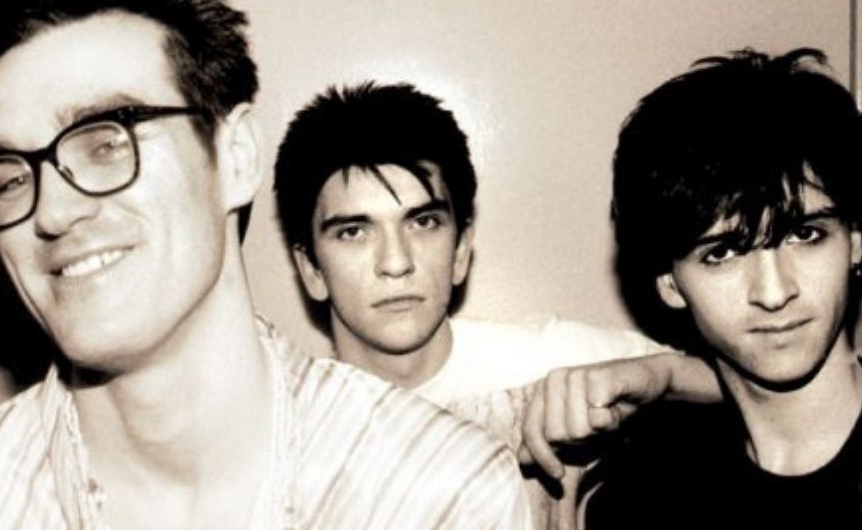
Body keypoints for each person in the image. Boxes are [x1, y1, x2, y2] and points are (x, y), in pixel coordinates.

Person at [0, 0, 531, 529]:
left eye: (106, 142)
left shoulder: (437, 494)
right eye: (10, 177)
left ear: (235, 156)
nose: (53, 211)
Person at [274, 81, 681, 528]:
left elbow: (733, 380)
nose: (395, 262)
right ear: (311, 269)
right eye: (354, 232)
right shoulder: (283, 437)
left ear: (461, 249)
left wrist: (660, 377)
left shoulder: (547, 364)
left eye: (423, 222)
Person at [579, 48, 862, 528]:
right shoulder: (644, 490)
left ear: (855, 243)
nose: (774, 292)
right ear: (669, 282)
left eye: (806, 235)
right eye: (722, 253)